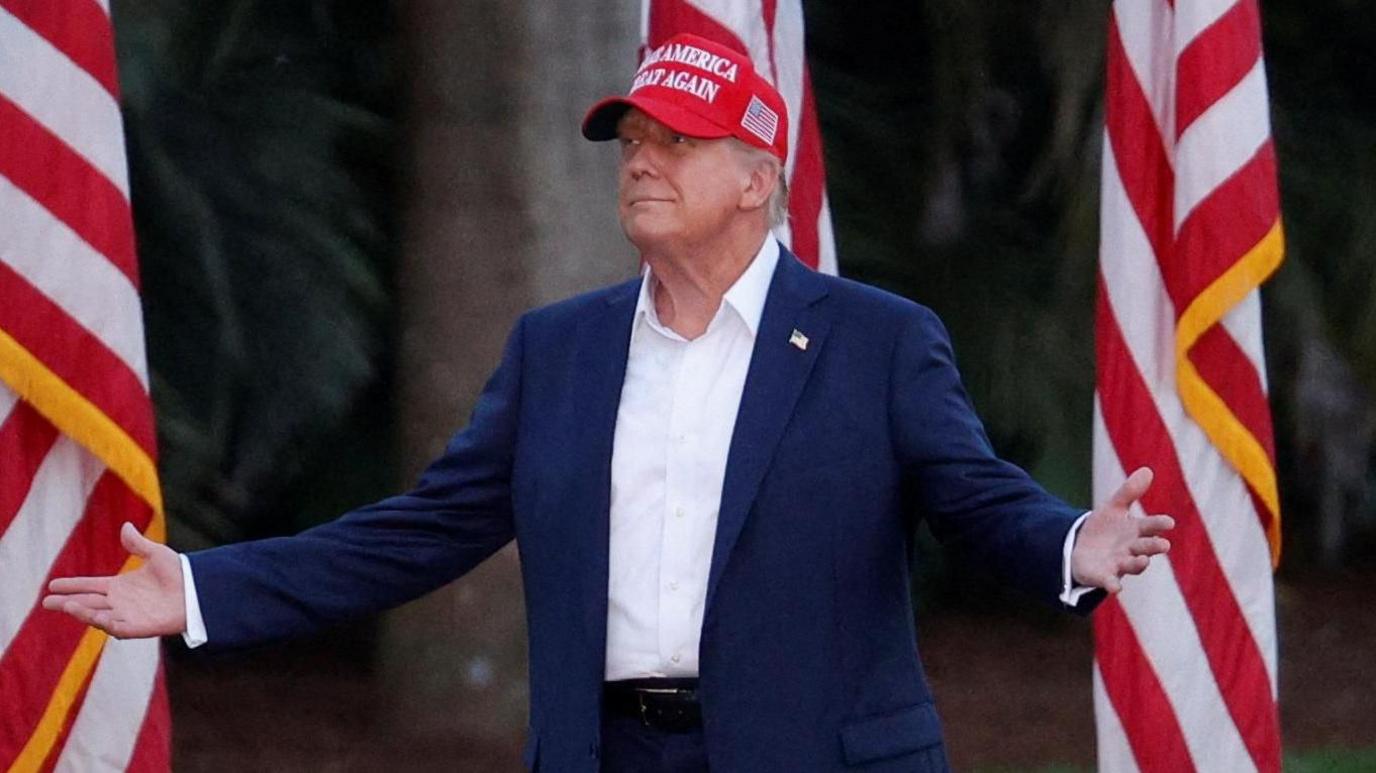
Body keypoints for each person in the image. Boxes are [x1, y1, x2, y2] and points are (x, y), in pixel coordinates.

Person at [45, 32, 1173, 773]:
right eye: (633, 141)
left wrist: (1073, 540)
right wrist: (201, 586)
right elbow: (420, 532)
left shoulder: (873, 340)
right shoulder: (559, 349)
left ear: (756, 178)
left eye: (675, 142)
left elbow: (973, 499)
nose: (641, 161)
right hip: (604, 752)